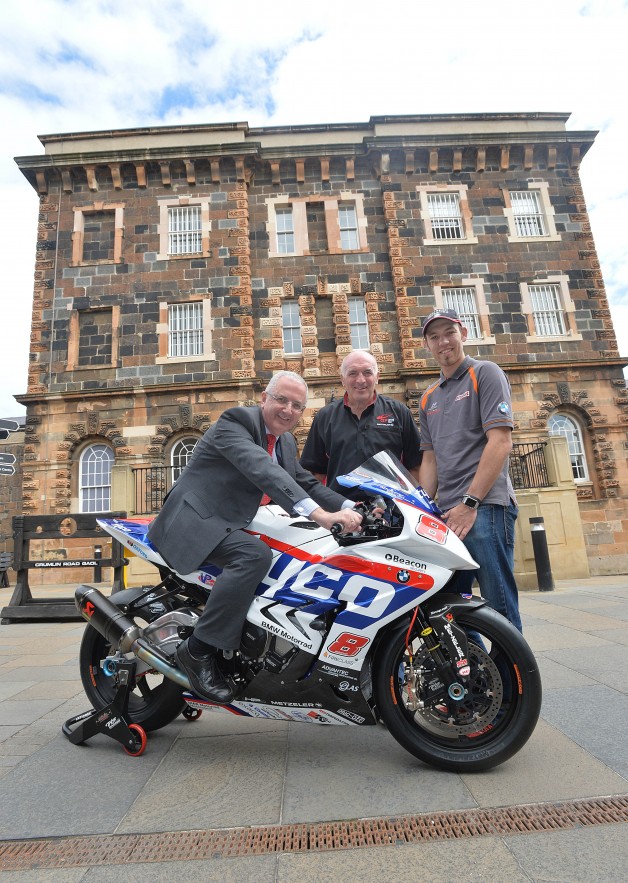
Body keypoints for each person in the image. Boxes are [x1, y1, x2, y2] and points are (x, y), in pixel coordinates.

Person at [148, 371, 363, 703]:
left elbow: (305, 482)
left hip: (235, 519)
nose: (288, 410)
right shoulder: (237, 422)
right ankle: (199, 649)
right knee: (253, 555)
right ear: (264, 398)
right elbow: (263, 470)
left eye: (297, 405)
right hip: (197, 519)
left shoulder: (286, 441)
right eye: (281, 400)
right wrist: (320, 516)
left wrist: (354, 506)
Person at [418, 308, 522, 632]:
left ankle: (516, 684)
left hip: (485, 508)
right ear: (427, 345)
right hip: (448, 518)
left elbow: (500, 442)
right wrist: (424, 508)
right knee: (450, 612)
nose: (443, 341)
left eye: (449, 332)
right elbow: (430, 460)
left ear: (463, 333)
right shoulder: (427, 398)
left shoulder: (485, 373)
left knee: (498, 609)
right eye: (434, 336)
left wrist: (470, 503)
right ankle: (478, 681)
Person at [300, 350, 422, 497]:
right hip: (341, 510)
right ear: (342, 379)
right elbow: (315, 474)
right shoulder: (325, 417)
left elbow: (416, 466)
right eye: (353, 373)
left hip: (392, 511)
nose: (360, 380)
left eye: (367, 372)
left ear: (377, 377)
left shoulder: (399, 412)